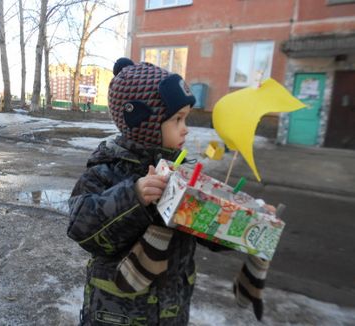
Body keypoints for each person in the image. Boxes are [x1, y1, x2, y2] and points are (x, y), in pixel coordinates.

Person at [67, 58, 269, 325]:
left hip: (172, 310)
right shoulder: (107, 169)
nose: (185, 128)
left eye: (185, 118)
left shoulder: (182, 173)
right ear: (145, 124)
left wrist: (252, 219)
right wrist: (134, 196)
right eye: (177, 119)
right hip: (117, 314)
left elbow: (208, 227)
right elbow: (81, 227)